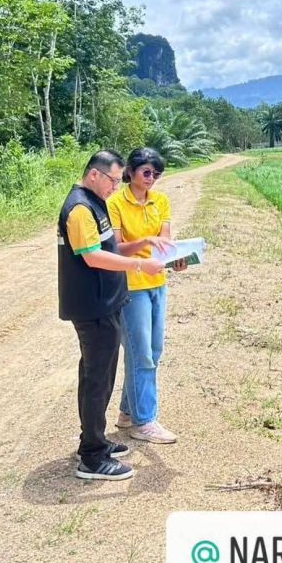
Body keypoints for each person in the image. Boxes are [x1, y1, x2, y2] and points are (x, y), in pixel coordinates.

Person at [57, 150, 172, 481]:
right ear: (95, 175)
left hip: (106, 303)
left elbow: (109, 248)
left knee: (103, 377)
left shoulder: (95, 204)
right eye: (113, 179)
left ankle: (97, 441)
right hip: (92, 306)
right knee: (96, 380)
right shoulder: (79, 208)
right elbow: (93, 257)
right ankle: (91, 457)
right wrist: (140, 263)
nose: (115, 186)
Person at [107, 147, 186, 444]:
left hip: (157, 281)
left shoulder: (160, 201)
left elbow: (164, 243)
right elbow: (113, 248)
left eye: (156, 173)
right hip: (130, 284)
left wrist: (177, 258)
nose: (151, 178)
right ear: (130, 171)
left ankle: (128, 412)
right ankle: (145, 421)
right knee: (141, 354)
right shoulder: (115, 202)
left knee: (153, 350)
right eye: (146, 172)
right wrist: (144, 241)